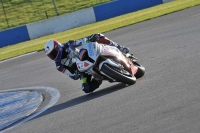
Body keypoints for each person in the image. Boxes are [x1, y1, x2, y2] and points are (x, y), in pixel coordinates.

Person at [44, 33, 130, 93]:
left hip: (85, 56)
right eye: (51, 55)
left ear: (57, 47)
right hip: (82, 71)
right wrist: (76, 74)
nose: (53, 56)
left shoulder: (69, 44)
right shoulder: (59, 66)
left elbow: (81, 41)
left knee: (99, 36)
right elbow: (71, 75)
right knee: (86, 88)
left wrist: (90, 39)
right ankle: (99, 78)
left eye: (53, 53)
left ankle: (119, 47)